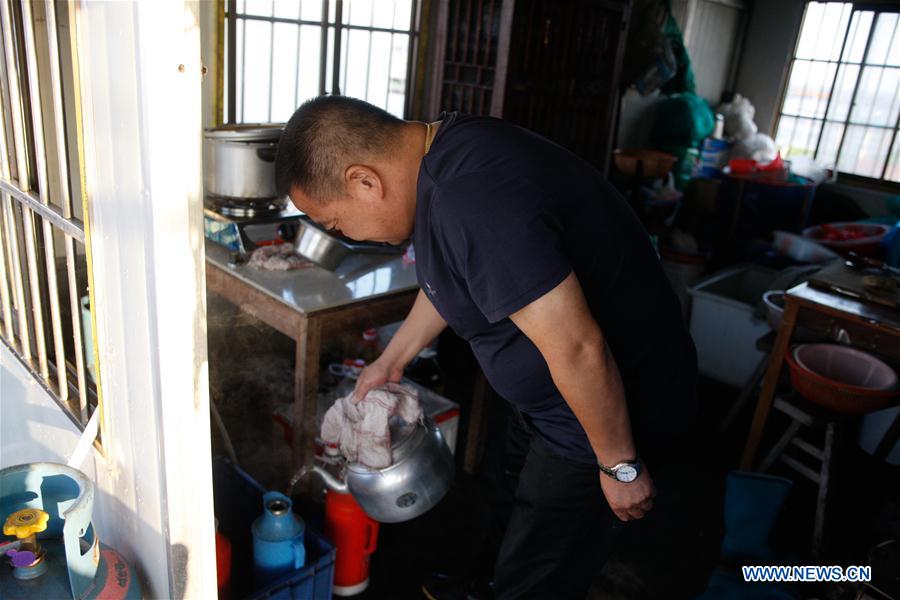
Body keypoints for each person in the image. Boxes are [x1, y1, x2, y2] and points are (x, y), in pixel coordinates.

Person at [275, 95, 698, 599]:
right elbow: (448, 280)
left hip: (598, 409)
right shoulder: (437, 158)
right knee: (504, 507)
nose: (341, 233)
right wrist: (391, 360)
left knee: (542, 566)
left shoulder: (468, 197)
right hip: (543, 398)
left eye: (336, 223)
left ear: (365, 181)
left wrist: (619, 464)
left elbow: (580, 347)